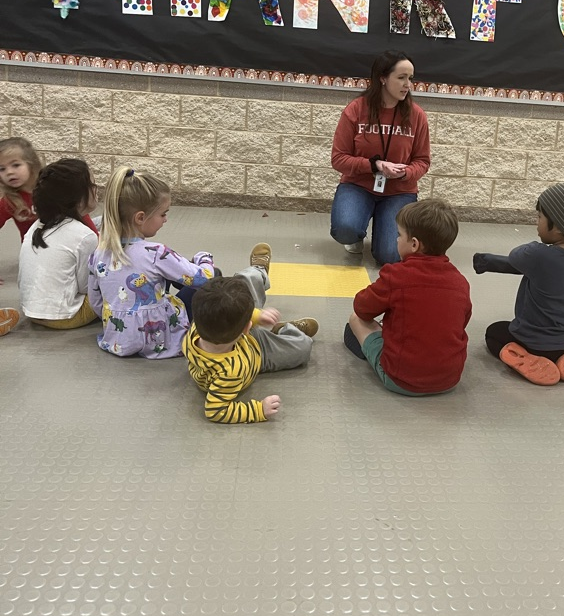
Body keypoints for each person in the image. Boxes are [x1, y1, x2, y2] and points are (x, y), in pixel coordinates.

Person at [473, 182, 564, 386]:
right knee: (563, 336)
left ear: (558, 226)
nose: (536, 223)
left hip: (532, 343)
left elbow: (516, 256)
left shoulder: (538, 254)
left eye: (540, 217)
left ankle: (529, 359)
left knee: (494, 332)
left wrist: (536, 246)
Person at [344, 199, 471, 395]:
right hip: (449, 380)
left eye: (398, 234)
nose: (395, 240)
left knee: (355, 321)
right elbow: (463, 320)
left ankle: (372, 355)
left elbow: (362, 307)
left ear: (414, 244)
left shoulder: (396, 275)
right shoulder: (460, 281)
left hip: (401, 380)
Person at [88, 166, 216, 359]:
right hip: (161, 338)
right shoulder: (155, 253)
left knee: (167, 278)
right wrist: (204, 258)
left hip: (118, 340)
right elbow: (203, 279)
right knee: (215, 276)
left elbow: (96, 303)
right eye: (163, 214)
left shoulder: (97, 255)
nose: (165, 219)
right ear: (140, 218)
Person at [184, 244, 319, 424]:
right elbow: (215, 411)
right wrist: (258, 410)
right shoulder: (229, 372)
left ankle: (259, 270)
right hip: (256, 356)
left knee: (241, 286)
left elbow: (227, 314)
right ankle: (285, 330)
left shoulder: (198, 326)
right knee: (303, 347)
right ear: (248, 327)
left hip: (235, 336)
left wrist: (257, 315)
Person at [330, 50, 431, 265]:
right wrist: (373, 165)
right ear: (383, 78)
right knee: (345, 229)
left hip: (399, 192)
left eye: (410, 78)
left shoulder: (417, 115)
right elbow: (338, 159)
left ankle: (383, 228)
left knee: (390, 256)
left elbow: (423, 161)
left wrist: (406, 172)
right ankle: (356, 234)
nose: (408, 85)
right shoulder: (356, 110)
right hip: (358, 186)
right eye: (401, 78)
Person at [18, 159, 100, 329]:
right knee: (118, 284)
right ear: (77, 199)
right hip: (65, 316)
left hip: (32, 312)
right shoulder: (86, 237)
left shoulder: (37, 226)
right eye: (92, 185)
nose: (96, 189)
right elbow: (87, 287)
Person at [0, 136, 43, 240]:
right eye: (2, 169)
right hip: (34, 253)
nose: (9, 172)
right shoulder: (10, 201)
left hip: (68, 250)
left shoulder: (54, 188)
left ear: (31, 164)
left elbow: (80, 214)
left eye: (16, 165)